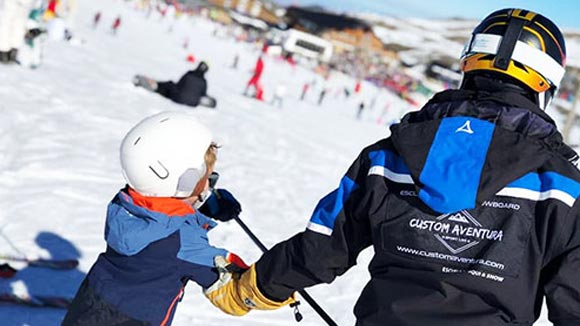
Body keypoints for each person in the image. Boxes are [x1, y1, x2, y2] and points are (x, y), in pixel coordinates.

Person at [203, 8, 580, 325]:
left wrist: (250, 289)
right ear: (545, 85)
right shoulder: (563, 187)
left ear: (469, 62)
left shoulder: (390, 156)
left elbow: (321, 248)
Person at [62, 111, 246, 325]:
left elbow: (160, 208)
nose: (210, 182)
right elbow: (238, 293)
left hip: (88, 306)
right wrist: (283, 270)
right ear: (187, 183)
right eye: (206, 178)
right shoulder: (183, 241)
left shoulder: (124, 204)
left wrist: (208, 201)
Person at [133, 61, 217, 108]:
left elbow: (179, 85)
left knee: (169, 85)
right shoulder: (204, 81)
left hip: (178, 98)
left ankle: (156, 86)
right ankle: (156, 86)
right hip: (192, 104)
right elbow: (203, 94)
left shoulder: (189, 74)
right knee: (171, 90)